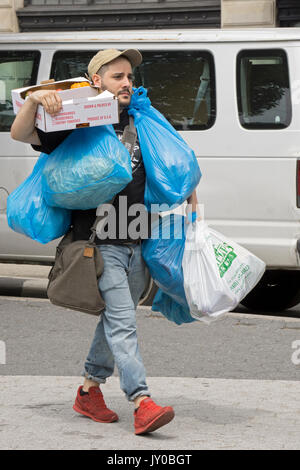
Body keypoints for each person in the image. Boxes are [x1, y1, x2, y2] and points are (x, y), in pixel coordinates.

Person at [10, 48, 199, 435]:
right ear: (97, 81)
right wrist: (33, 103)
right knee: (124, 323)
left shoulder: (142, 120)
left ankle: (89, 390)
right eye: (117, 76)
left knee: (116, 321)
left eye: (130, 76)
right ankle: (141, 401)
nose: (127, 82)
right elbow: (22, 133)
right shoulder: (79, 119)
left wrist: (192, 196)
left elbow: (171, 163)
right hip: (100, 241)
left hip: (135, 237)